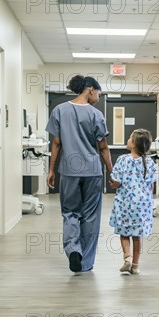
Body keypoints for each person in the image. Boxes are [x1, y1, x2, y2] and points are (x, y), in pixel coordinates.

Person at [46, 75, 113, 273]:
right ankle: (85, 263)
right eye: (99, 94)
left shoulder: (59, 110)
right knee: (91, 217)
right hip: (92, 171)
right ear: (90, 89)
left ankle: (73, 249)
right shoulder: (96, 114)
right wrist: (112, 172)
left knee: (70, 213)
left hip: (69, 171)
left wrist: (51, 169)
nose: (99, 98)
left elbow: (56, 143)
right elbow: (103, 148)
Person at [109, 129, 157, 274]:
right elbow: (151, 186)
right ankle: (135, 266)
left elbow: (116, 181)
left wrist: (113, 185)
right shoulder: (150, 162)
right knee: (137, 235)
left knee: (124, 233)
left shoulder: (123, 159)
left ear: (135, 143)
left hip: (125, 202)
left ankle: (127, 258)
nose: (128, 139)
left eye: (130, 137)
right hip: (141, 205)